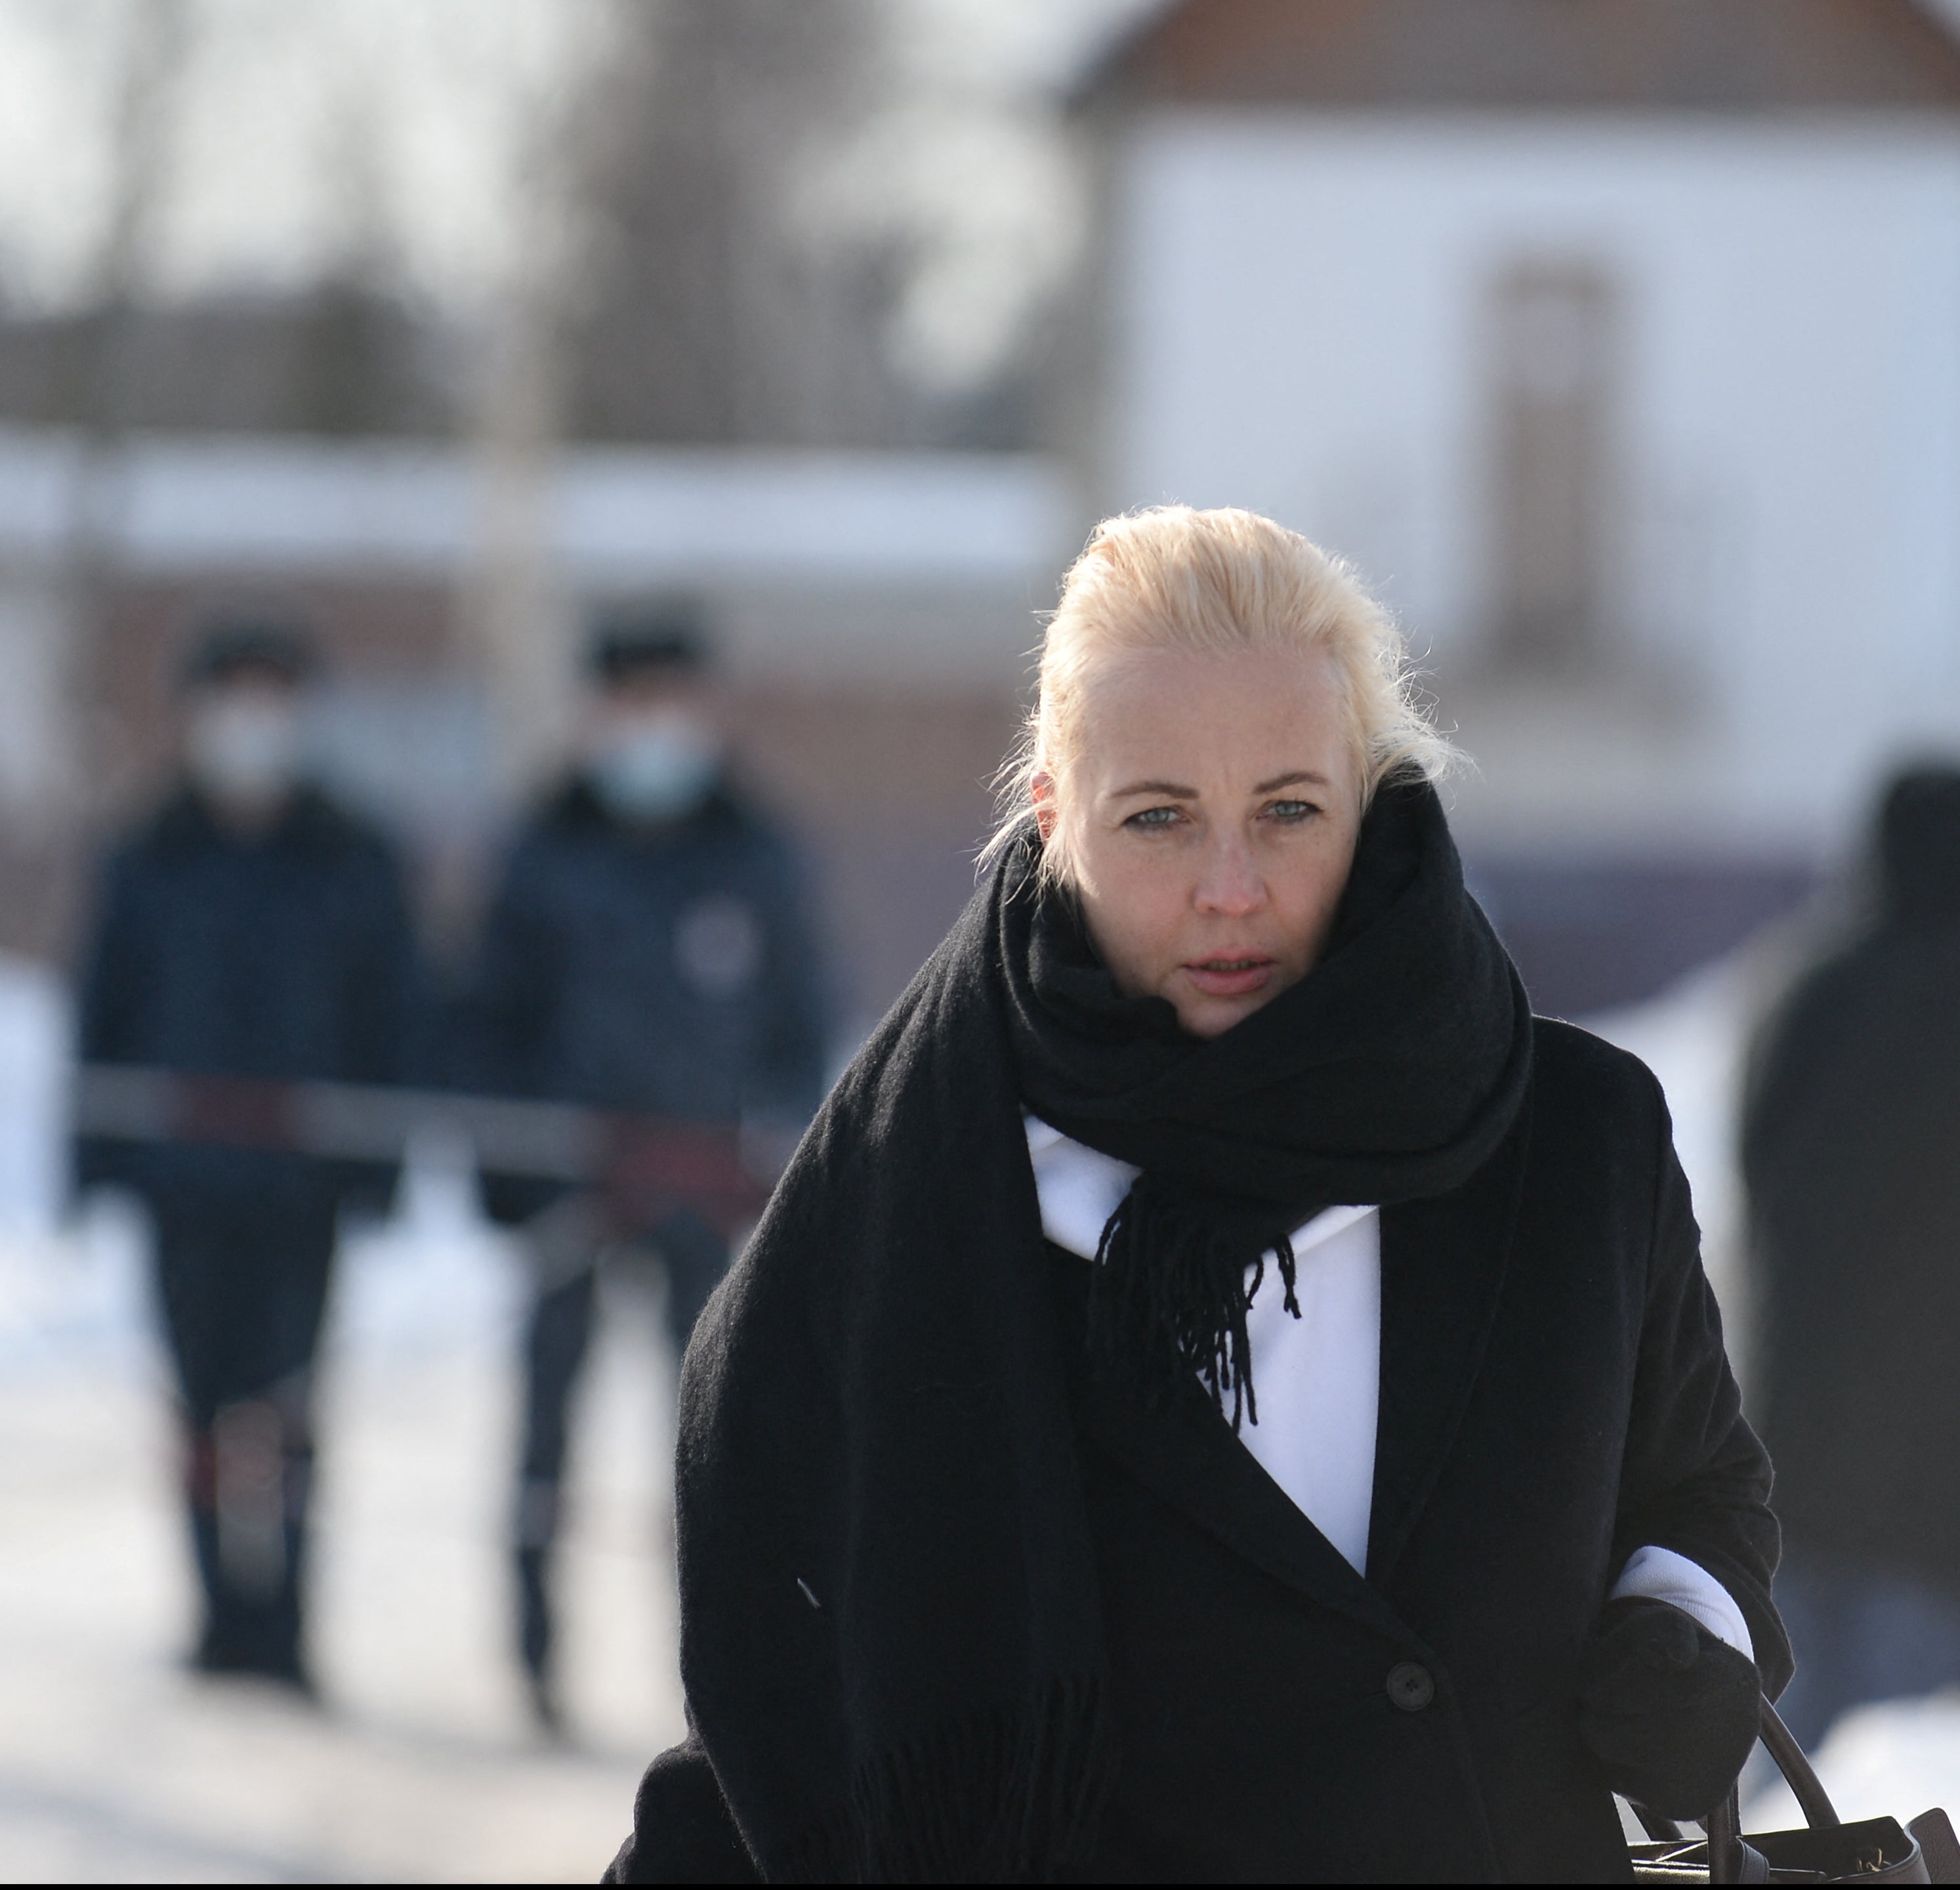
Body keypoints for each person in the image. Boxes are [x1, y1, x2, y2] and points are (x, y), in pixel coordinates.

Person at [606, 507, 1787, 1882]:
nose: (1231, 889)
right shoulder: (920, 1194)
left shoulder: (1579, 1137)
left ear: (1370, 794)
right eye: (1158, 817)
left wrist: (1682, 1621)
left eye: (1288, 809)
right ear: (1053, 817)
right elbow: (793, 1705)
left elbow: (1703, 1486)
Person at [453, 610, 827, 1731]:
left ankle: (719, 1681)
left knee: (714, 1444)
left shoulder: (757, 852)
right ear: (595, 713)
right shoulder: (537, 849)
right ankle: (532, 1661)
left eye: (675, 703)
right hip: (566, 1198)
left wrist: (778, 1174)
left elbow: (798, 1033)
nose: (654, 728)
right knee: (542, 1430)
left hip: (704, 1203)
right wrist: (519, 1176)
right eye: (633, 704)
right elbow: (482, 1028)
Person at [75, 618, 421, 1691]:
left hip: (302, 1185)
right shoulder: (148, 854)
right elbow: (107, 1013)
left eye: (274, 698)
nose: (252, 725)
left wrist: (380, 1163)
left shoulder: (355, 856)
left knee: (291, 1402)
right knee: (195, 1400)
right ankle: (216, 1615)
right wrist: (93, 1159)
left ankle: (288, 1623)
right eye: (234, 697)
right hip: (184, 1182)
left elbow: (393, 1016)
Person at [1740, 764, 1960, 1748]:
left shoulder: (1813, 996)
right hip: (1944, 1450)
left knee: (1783, 1763)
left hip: (1801, 1426)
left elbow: (1757, 1173)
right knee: (1907, 1772)